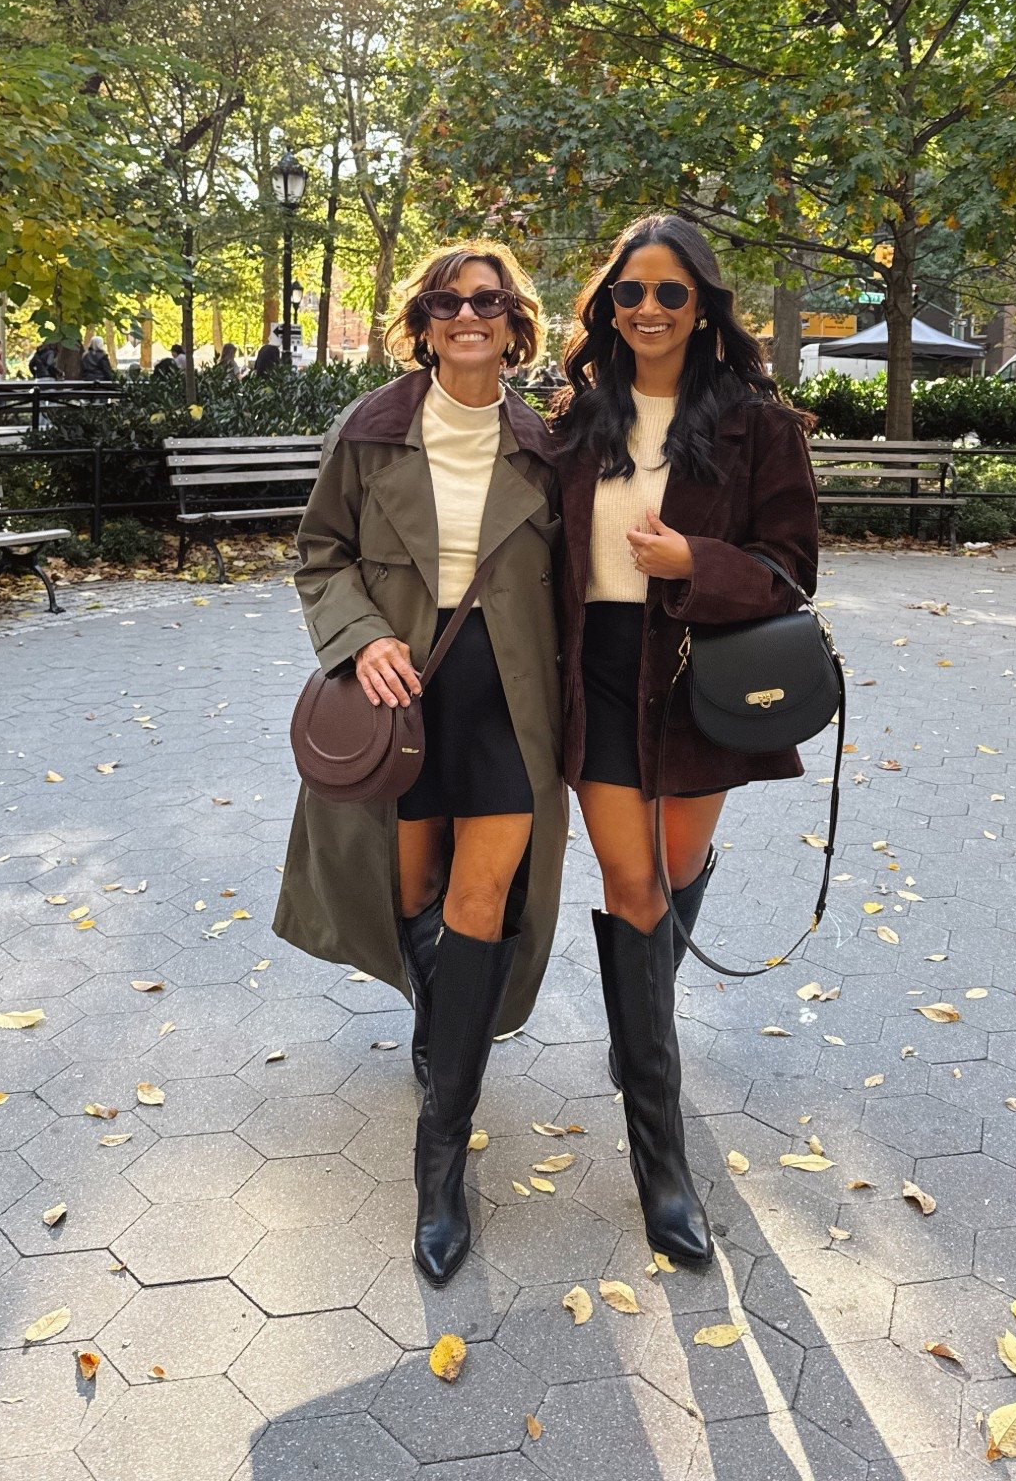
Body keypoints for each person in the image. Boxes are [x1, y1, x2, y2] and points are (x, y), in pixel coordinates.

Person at [273, 241, 566, 1287]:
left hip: (512, 703)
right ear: (426, 319)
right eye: (449, 301)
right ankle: (443, 1025)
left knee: (486, 901)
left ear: (515, 320)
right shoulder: (372, 427)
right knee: (413, 895)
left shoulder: (546, 442)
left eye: (488, 300)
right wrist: (361, 637)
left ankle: (441, 1156)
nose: (468, 315)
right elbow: (319, 552)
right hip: (403, 695)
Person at [552, 216, 819, 1270]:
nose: (648, 310)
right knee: (635, 890)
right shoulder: (579, 418)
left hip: (693, 673)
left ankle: (638, 1014)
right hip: (598, 672)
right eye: (629, 294)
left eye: (669, 293)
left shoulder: (758, 423)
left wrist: (692, 559)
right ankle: (661, 1162)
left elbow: (791, 567)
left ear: (703, 304)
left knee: (674, 867)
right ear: (606, 309)